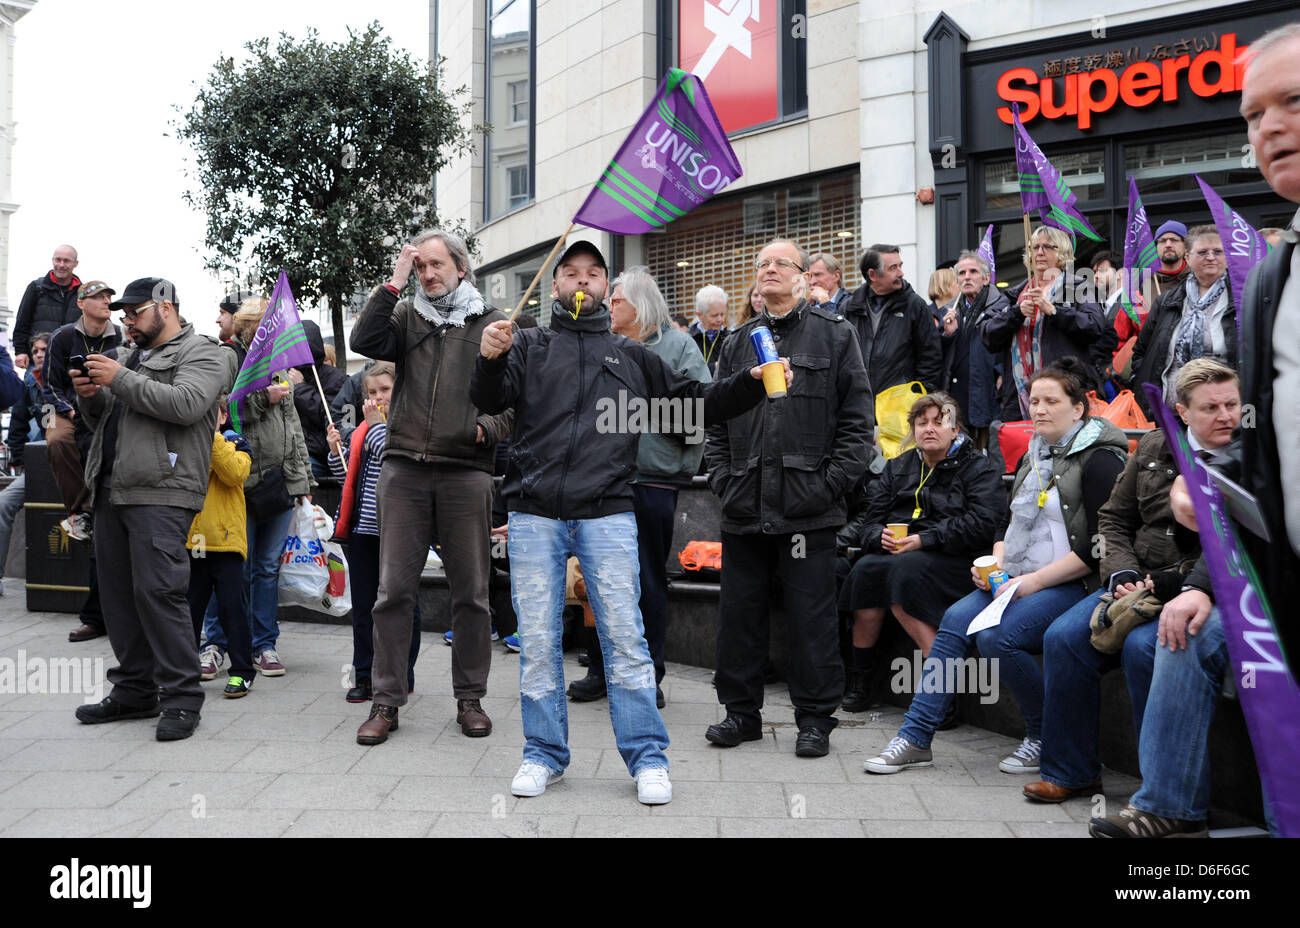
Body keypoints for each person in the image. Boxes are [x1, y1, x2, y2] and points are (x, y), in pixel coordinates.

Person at [471, 238, 777, 805]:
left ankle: (647, 758)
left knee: (626, 639)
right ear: (556, 285)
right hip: (534, 512)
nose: (581, 281)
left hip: (609, 511)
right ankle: (542, 754)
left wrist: (752, 383)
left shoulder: (631, 356)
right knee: (538, 642)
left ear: (607, 290)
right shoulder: (529, 344)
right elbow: (487, 399)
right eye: (570, 273)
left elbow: (695, 402)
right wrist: (489, 357)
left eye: (593, 274)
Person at [864, 357, 1127, 776]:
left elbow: (1101, 546)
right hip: (1019, 574)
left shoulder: (1101, 460)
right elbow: (1007, 522)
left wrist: (1029, 582)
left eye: (1050, 401)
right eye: (1034, 400)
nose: (1038, 409)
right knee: (955, 619)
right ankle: (915, 737)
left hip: (1075, 582)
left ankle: (1043, 735)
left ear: (1078, 408)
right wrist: (997, 562)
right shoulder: (1034, 454)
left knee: (997, 639)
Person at [1023, 361, 1238, 818]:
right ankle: (1071, 771)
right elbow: (1114, 519)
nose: (1226, 417)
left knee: (1147, 645)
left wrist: (1172, 583)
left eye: (1232, 405)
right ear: (1181, 411)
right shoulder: (1155, 446)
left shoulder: (1245, 456)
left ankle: (1159, 791)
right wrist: (1119, 573)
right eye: (1210, 408)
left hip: (1192, 586)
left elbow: (1234, 543)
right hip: (1133, 580)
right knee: (1063, 638)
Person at [704, 238, 873, 759]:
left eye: (780, 263)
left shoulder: (835, 334)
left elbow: (857, 423)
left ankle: (816, 719)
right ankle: (740, 714)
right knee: (739, 615)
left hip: (809, 508)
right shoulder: (736, 341)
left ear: (804, 278)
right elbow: (715, 419)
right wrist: (723, 481)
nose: (768, 269)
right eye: (761, 264)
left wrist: (828, 485)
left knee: (812, 617)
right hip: (744, 504)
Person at [350, 229, 512, 745]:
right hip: (405, 471)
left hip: (467, 472)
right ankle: (386, 701)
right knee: (393, 592)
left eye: (437, 265)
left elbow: (515, 401)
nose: (429, 274)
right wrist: (394, 281)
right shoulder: (404, 315)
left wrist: (488, 429)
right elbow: (364, 342)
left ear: (461, 268)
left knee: (472, 594)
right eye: (421, 267)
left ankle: (470, 699)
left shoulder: (493, 322)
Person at [71, 277, 229, 741]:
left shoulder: (202, 351)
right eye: (122, 314)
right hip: (113, 486)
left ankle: (181, 698)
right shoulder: (128, 356)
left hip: (162, 489)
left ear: (166, 307)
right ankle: (136, 690)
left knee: (160, 594)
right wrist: (91, 396)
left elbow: (186, 404)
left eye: (135, 312)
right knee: (119, 598)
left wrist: (119, 379)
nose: (126, 321)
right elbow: (110, 419)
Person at [566, 266, 710, 706]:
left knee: (647, 579)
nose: (609, 306)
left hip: (652, 480)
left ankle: (649, 674)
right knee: (595, 577)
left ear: (641, 306)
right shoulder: (600, 344)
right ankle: (601, 670)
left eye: (617, 301)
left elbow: (701, 411)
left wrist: (637, 411)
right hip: (602, 479)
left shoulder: (679, 347)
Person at [838, 393, 1002, 712]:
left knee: (901, 572)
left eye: (939, 422)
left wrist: (926, 539)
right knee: (866, 569)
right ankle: (862, 680)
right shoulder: (899, 465)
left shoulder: (978, 466)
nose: (929, 429)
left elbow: (984, 522)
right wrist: (879, 537)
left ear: (955, 430)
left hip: (957, 559)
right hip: (902, 555)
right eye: (922, 422)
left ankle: (942, 690)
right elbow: (870, 520)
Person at [199, 296, 313, 679]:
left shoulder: (280, 362)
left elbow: (292, 426)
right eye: (273, 325)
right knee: (232, 569)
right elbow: (221, 411)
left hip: (278, 484)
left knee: (266, 569)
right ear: (255, 328)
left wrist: (303, 480)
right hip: (239, 482)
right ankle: (215, 644)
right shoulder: (230, 357)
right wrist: (264, 396)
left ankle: (265, 645)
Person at [326, 362, 422, 703]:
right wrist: (337, 450)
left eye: (384, 389)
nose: (377, 397)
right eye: (371, 392)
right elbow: (346, 479)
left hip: (400, 530)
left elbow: (390, 456)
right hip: (363, 531)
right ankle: (364, 675)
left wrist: (376, 426)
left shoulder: (407, 423)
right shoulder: (365, 430)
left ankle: (401, 673)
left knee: (402, 604)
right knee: (365, 606)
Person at [981, 225, 1108, 421]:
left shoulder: (1079, 286)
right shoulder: (1016, 294)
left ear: (1062, 252)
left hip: (1066, 391)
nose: (1040, 252)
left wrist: (1054, 311)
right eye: (1035, 247)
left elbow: (1094, 326)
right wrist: (1016, 313)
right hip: (1018, 398)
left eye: (1048, 247)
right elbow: (987, 334)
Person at [42, 281, 123, 543]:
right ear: (81, 304)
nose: (106, 301)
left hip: (109, 410)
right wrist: (70, 410)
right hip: (68, 410)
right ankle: (80, 512)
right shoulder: (62, 336)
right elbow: (50, 386)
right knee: (57, 440)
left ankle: (117, 509)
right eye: (98, 297)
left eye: (108, 296)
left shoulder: (121, 336)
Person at [1131, 225, 1237, 417]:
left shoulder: (1241, 300)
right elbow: (1141, 352)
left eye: (1218, 251)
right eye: (1203, 252)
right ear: (1187, 257)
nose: (1211, 257)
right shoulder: (1167, 301)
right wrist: (1146, 387)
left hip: (1224, 417)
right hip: (1169, 416)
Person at [187, 408, 256, 699]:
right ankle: (182, 669)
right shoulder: (187, 441)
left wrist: (212, 437)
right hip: (196, 540)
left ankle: (242, 671)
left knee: (232, 609)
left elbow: (234, 473)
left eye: (210, 411)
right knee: (189, 610)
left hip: (227, 542)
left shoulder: (236, 441)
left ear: (223, 415)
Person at [842, 244, 943, 393]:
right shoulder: (849, 308)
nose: (901, 273)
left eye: (900, 266)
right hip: (859, 405)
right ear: (872, 275)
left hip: (899, 409)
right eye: (893, 268)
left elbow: (930, 359)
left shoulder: (915, 306)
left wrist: (918, 398)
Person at [940, 250, 1006, 448]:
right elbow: (939, 357)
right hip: (956, 395)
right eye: (961, 273)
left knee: (986, 452)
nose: (967, 277)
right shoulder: (950, 311)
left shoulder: (1001, 307)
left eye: (973, 272)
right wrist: (947, 335)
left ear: (986, 279)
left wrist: (1002, 374)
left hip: (988, 391)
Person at [290, 319, 349, 478]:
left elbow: (332, 416)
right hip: (298, 451)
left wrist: (301, 388)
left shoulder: (337, 379)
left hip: (324, 455)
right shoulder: (288, 374)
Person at [12, 244, 81, 368]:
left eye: (66, 261)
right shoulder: (36, 288)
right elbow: (22, 322)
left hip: (68, 365)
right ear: (52, 260)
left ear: (76, 263)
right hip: (38, 362)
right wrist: (20, 352)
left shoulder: (82, 293)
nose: (61, 265)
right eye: (58, 259)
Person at [0, 343, 30, 593]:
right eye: (36, 351)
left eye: (45, 350)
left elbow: (7, 392)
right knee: (3, 504)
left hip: (72, 466)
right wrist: (19, 458)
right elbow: (17, 424)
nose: (40, 355)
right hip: (35, 468)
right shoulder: (31, 384)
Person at [687, 284, 730, 375]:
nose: (720, 320)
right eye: (714, 315)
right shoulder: (688, 340)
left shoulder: (730, 337)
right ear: (700, 315)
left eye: (723, 314)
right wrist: (714, 367)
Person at [1151, 220, 1191, 296]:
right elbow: (1126, 305)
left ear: (1185, 246)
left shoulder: (1196, 277)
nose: (1168, 245)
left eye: (1174, 240)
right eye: (1162, 241)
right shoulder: (1141, 279)